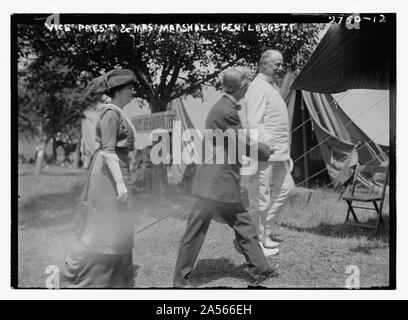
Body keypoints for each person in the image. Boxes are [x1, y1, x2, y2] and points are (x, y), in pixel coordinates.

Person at [173, 67, 278, 288]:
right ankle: (180, 281)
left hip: (220, 182)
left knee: (244, 225)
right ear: (241, 87)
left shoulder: (224, 106)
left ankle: (261, 267)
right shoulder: (226, 111)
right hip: (215, 184)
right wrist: (265, 151)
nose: (249, 88)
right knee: (195, 233)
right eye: (247, 85)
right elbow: (242, 143)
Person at [61, 69, 137, 288]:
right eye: (130, 87)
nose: (133, 91)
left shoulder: (118, 112)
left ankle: (118, 279)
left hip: (117, 171)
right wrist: (121, 185)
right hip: (109, 175)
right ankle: (86, 279)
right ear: (119, 90)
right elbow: (108, 151)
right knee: (107, 224)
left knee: (119, 223)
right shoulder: (110, 113)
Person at [241, 50, 295, 252]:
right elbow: (253, 123)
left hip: (279, 153)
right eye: (276, 64)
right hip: (263, 152)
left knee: (286, 188)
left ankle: (264, 232)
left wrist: (284, 151)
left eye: (282, 64)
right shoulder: (256, 87)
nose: (280, 68)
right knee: (260, 199)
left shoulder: (271, 86)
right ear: (263, 64)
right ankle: (256, 243)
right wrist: (264, 148)